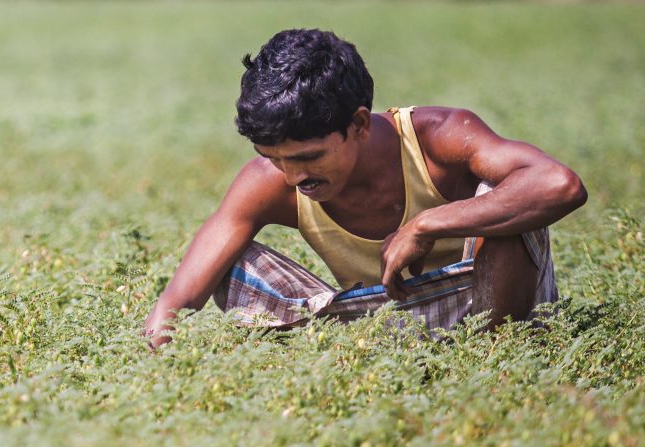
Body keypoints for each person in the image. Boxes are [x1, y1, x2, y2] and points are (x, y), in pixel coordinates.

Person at [142, 28, 587, 348]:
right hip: (369, 326)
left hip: (487, 307)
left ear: (357, 124)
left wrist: (425, 226)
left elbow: (559, 185)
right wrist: (159, 356)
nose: (293, 177)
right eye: (274, 158)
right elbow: (177, 301)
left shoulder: (439, 137)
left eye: (306, 157)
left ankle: (499, 361)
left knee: (507, 193)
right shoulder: (267, 180)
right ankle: (336, 354)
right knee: (230, 260)